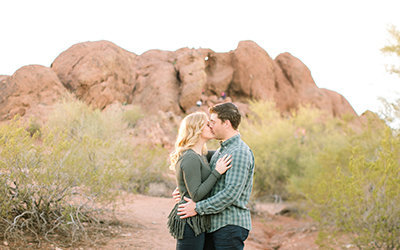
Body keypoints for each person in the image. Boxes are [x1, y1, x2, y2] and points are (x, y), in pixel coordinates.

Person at [177, 102, 255, 250]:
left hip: (230, 225)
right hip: (216, 225)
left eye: (213, 122)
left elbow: (230, 193)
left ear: (226, 123)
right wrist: (183, 190)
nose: (210, 125)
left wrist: (197, 208)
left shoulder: (239, 152)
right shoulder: (220, 151)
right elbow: (195, 168)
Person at [167, 111, 233, 250]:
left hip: (197, 219)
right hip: (189, 220)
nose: (211, 127)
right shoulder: (190, 157)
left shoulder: (202, 155)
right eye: (207, 125)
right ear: (196, 129)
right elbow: (196, 195)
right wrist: (217, 172)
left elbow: (226, 152)